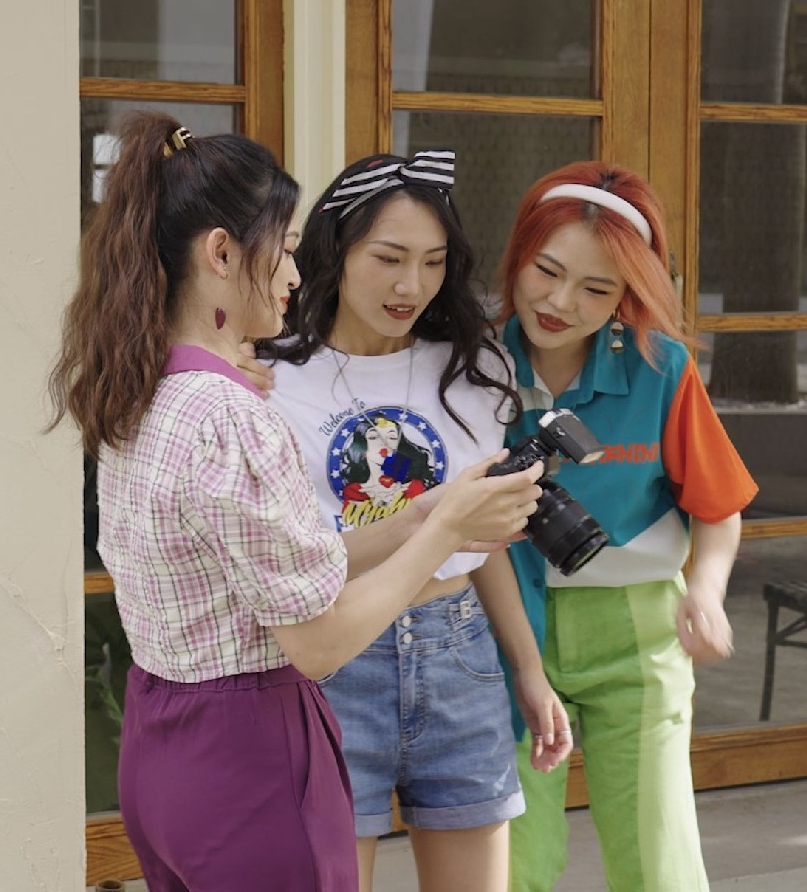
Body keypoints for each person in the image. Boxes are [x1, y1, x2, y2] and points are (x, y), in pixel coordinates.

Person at [47, 112, 545, 892]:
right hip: (251, 756)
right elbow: (319, 643)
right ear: (221, 253)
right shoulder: (237, 414)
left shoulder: (144, 392)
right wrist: (445, 525)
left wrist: (420, 516)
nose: (291, 274)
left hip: (163, 745)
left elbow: (275, 566)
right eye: (281, 250)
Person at [257, 151, 573, 892]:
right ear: (336, 249)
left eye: (433, 262)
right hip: (335, 656)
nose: (412, 286)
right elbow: (287, 559)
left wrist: (528, 671)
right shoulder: (268, 378)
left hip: (460, 655)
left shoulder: (470, 370)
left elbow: (482, 541)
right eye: (389, 258)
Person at [492, 162, 758, 892]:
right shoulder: (469, 363)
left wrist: (705, 592)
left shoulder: (659, 369)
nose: (559, 302)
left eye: (596, 289)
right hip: (504, 631)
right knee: (514, 864)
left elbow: (718, 505)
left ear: (624, 298)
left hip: (638, 634)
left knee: (658, 861)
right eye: (547, 271)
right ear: (518, 255)